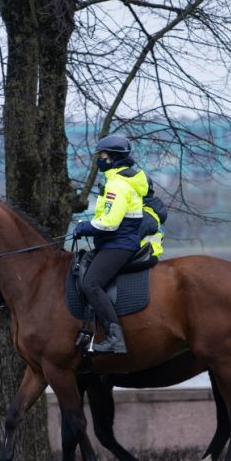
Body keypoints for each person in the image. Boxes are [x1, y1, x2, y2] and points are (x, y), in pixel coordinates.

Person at [74, 134, 150, 354]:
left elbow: (109, 223)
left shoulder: (117, 185)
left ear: (113, 158)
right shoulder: (120, 181)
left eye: (103, 155)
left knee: (91, 284)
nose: (99, 159)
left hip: (119, 243)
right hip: (116, 241)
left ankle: (115, 337)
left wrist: (83, 227)